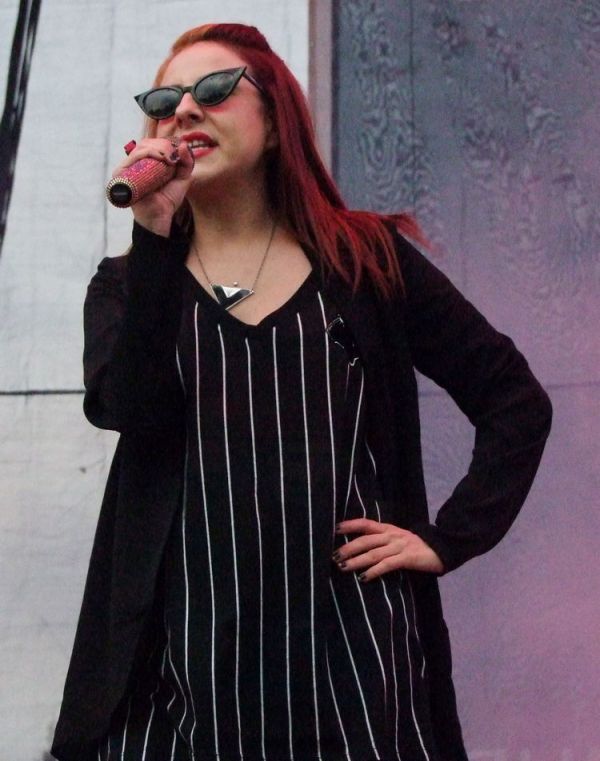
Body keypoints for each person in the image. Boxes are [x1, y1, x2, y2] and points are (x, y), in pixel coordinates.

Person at [51, 22, 552, 761]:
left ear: (277, 117)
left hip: (353, 678)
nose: (184, 110)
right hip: (182, 687)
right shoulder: (129, 285)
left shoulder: (366, 263)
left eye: (215, 89)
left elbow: (514, 399)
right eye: (163, 101)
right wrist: (154, 236)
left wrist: (448, 537)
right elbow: (127, 409)